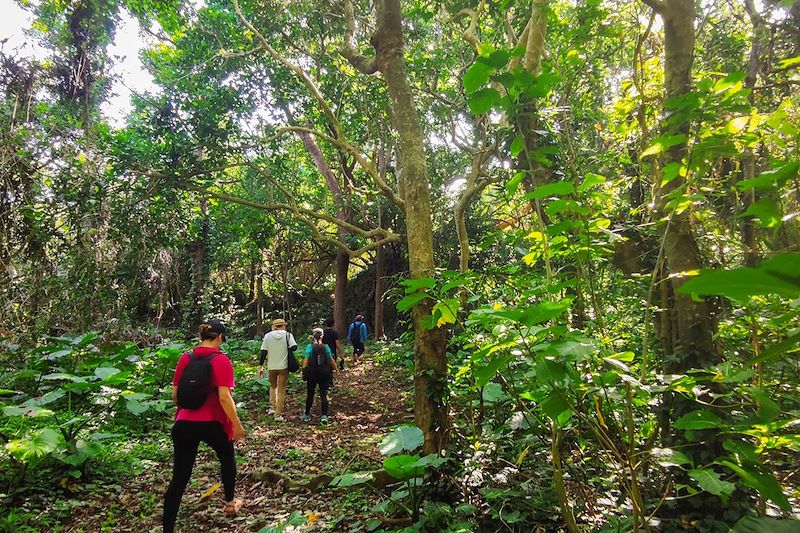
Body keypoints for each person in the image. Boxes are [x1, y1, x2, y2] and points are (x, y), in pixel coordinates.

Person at [163, 320, 245, 533]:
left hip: (183, 424)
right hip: (212, 424)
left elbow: (175, 394)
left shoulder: (185, 358)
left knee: (179, 478)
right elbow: (225, 397)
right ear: (219, 337)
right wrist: (237, 426)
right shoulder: (221, 361)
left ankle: (167, 528)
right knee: (227, 457)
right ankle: (229, 503)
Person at [258, 318, 298, 421]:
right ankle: (278, 414)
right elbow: (294, 347)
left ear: (274, 326)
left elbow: (263, 352)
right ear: (283, 325)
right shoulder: (287, 335)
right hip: (283, 366)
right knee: (281, 389)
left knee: (272, 386)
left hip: (271, 366)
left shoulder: (267, 336)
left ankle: (272, 407)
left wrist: (261, 366)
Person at [302, 327, 339, 423]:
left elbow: (306, 360)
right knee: (323, 394)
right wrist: (337, 370)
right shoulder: (326, 347)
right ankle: (324, 416)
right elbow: (331, 360)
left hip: (312, 373)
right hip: (324, 373)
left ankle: (306, 414)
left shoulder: (309, 347)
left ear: (313, 336)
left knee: (310, 394)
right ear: (322, 336)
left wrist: (304, 370)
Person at [322, 317, 342, 386]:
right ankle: (329, 382)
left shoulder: (323, 333)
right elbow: (337, 344)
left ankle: (325, 382)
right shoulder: (334, 333)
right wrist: (340, 353)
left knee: (324, 366)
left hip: (323, 351)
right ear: (333, 324)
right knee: (330, 367)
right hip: (332, 352)